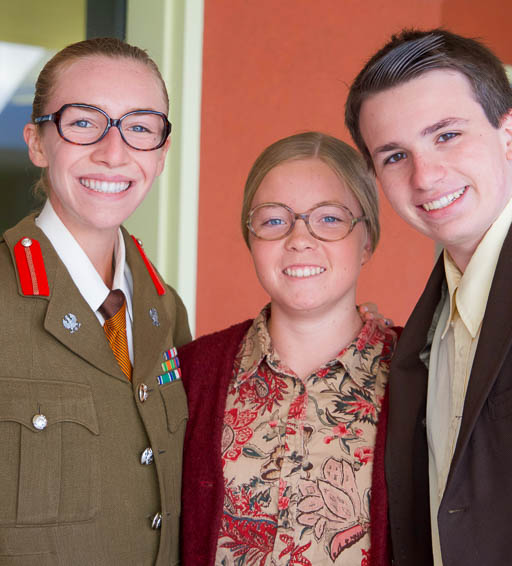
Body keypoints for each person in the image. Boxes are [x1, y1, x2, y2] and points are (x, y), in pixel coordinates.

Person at [345, 28, 512, 566]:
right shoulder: (426, 323)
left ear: (510, 133)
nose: (425, 176)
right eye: (395, 155)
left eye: (446, 135)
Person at [0, 37, 190, 565]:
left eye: (140, 127)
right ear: (38, 143)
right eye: (84, 122)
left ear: (161, 153)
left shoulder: (166, 310)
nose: (114, 151)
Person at [179, 132, 397, 566]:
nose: (300, 239)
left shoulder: (422, 375)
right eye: (274, 220)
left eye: (330, 219)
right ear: (251, 240)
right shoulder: (192, 372)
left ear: (367, 240)